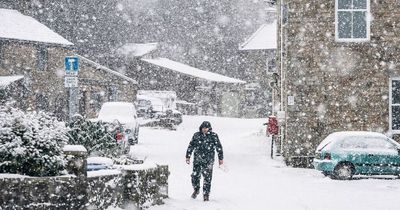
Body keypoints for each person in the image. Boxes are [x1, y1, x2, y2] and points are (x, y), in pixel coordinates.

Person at [185, 121, 223, 201]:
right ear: (201, 128)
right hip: (197, 160)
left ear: (209, 128)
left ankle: (206, 195)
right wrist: (188, 156)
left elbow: (219, 148)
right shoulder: (196, 135)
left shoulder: (213, 136)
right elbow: (191, 146)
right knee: (195, 176)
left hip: (209, 161)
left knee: (207, 179)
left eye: (206, 128)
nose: (205, 129)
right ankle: (196, 189)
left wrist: (221, 159)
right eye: (203, 128)